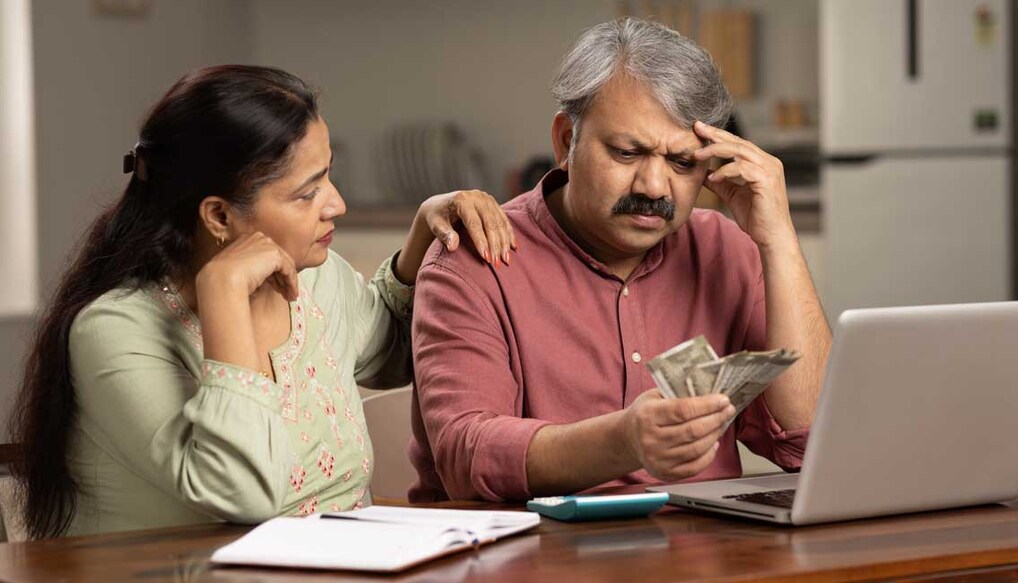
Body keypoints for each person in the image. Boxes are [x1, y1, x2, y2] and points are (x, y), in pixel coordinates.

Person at [8, 65, 517, 538]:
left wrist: (421, 234)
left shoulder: (315, 278)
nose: (336, 203)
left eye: (328, 175)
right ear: (220, 217)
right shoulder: (114, 331)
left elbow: (394, 354)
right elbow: (244, 496)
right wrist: (225, 295)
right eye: (306, 192)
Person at [408, 18, 831, 502]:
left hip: (705, 557)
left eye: (683, 163)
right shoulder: (474, 256)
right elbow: (468, 457)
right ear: (567, 141)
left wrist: (779, 240)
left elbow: (808, 444)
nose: (654, 187)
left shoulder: (728, 251)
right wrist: (625, 440)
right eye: (628, 153)